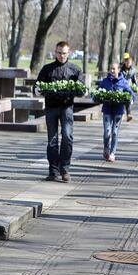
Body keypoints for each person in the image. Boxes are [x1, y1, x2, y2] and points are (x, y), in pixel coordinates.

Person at [36, 41, 84, 183]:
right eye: (59, 53)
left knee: (67, 137)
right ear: (55, 52)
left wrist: (80, 90)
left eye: (64, 53)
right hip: (51, 107)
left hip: (67, 107)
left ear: (68, 53)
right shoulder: (47, 69)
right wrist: (39, 89)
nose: (61, 55)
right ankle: (53, 171)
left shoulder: (75, 70)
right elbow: (37, 86)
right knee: (52, 140)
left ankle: (65, 169)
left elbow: (81, 89)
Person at [98, 63, 135, 162]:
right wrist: (97, 96)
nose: (112, 71)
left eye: (114, 69)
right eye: (111, 69)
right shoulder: (105, 81)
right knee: (107, 132)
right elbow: (98, 92)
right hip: (107, 110)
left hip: (118, 111)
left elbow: (131, 93)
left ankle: (112, 153)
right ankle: (106, 148)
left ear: (119, 70)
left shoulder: (123, 82)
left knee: (114, 132)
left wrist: (130, 99)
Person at [119, 52, 138, 121]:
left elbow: (134, 80)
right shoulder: (120, 69)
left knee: (128, 99)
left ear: (131, 61)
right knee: (121, 101)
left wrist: (135, 87)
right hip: (121, 86)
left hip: (128, 87)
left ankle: (128, 114)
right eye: (125, 60)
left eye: (128, 61)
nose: (127, 62)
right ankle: (121, 113)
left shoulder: (133, 70)